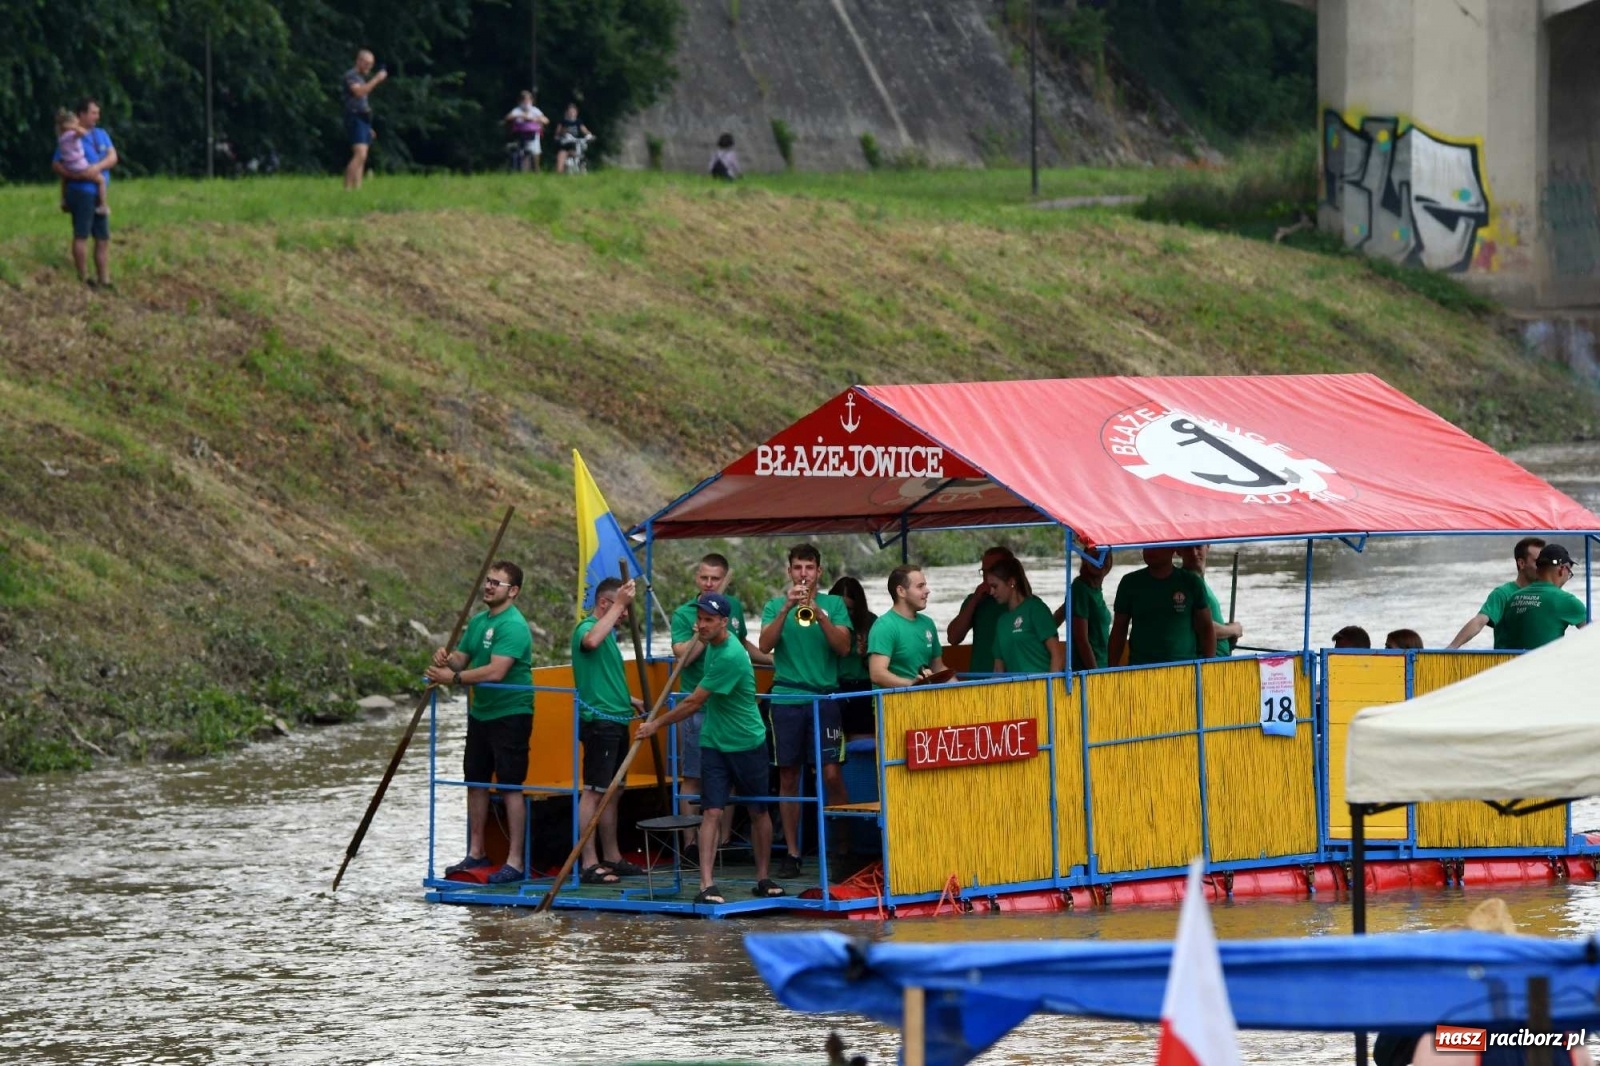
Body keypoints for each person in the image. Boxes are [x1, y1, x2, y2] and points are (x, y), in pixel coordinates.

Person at [637, 592, 783, 903]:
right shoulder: (712, 646)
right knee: (712, 811)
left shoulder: (730, 654)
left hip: (747, 741)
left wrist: (656, 724)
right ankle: (706, 883)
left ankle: (763, 876)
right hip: (715, 741)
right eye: (699, 619)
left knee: (758, 810)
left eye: (708, 620)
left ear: (724, 623)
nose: (700, 625)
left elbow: (693, 701)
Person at [424, 561, 535, 885]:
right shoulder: (479, 621)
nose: (488, 587)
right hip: (481, 712)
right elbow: (465, 656)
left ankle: (514, 860)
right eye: (487, 581)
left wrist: (453, 677)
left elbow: (496, 671)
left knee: (511, 784)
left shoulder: (514, 625)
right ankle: (476, 851)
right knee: (475, 779)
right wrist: (447, 659)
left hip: (511, 712)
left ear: (512, 591)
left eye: (496, 583)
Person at [759, 545, 852, 880]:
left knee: (830, 774)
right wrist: (787, 607)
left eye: (809, 568)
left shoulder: (835, 604)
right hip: (786, 699)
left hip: (824, 697)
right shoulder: (773, 605)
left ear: (819, 572)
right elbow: (766, 645)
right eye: (797, 567)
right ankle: (793, 853)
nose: (803, 574)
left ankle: (843, 849)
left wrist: (818, 612)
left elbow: (843, 647)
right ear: (789, 572)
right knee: (788, 777)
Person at [670, 553, 769, 837]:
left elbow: (740, 645)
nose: (709, 583)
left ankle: (723, 841)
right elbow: (683, 659)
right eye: (704, 577)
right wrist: (700, 632)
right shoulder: (683, 613)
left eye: (715, 578)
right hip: (696, 706)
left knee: (732, 779)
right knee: (692, 776)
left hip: (729, 709)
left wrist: (774, 661)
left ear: (724, 579)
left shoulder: (732, 607)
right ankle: (690, 842)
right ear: (696, 578)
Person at [570, 577, 648, 885]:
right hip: (599, 724)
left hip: (617, 718)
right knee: (594, 790)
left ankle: (612, 856)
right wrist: (619, 605)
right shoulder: (586, 630)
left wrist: (630, 699)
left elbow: (603, 676)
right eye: (623, 609)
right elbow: (589, 642)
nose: (626, 615)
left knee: (614, 792)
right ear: (606, 604)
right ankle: (589, 861)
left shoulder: (610, 637)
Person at [1106, 547, 1215, 667]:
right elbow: (1119, 629)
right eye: (1146, 545)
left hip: (1185, 668)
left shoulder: (1192, 582)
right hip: (1141, 668)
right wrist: (1111, 668)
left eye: (1157, 546)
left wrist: (1209, 667)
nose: (1150, 550)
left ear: (1173, 548)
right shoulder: (1130, 582)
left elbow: (1206, 628)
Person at [50, 97, 117, 288]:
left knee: (102, 237)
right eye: (93, 112)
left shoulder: (101, 134)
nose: (97, 116)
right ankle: (84, 278)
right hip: (81, 192)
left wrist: (96, 168)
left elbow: (112, 156)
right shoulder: (69, 137)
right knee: (82, 234)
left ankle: (104, 279)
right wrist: (77, 175)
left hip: (97, 189)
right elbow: (57, 164)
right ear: (81, 115)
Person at [1447, 537, 1546, 649]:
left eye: (1544, 562)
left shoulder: (1551, 594)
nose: (1543, 566)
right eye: (1537, 562)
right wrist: (1452, 647)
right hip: (1509, 663)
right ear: (1521, 563)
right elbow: (1479, 621)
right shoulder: (1502, 594)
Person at [1489, 543, 1587, 651]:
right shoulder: (1567, 601)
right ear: (1562, 569)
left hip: (1510, 665)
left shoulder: (1513, 598)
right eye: (1569, 573)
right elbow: (1594, 637)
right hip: (1544, 665)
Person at [868, 565, 948, 687]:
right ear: (901, 591)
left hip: (925, 702)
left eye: (925, 585)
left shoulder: (928, 623)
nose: (927, 590)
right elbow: (877, 674)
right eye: (920, 586)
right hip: (893, 704)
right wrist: (911, 685)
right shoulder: (884, 626)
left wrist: (965, 694)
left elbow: (938, 667)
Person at [988, 557, 1064, 675]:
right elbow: (998, 670)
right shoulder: (1001, 622)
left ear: (1011, 582)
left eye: (995, 586)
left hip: (1043, 688)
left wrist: (1051, 689)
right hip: (1018, 691)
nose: (991, 592)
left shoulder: (1036, 609)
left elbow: (1057, 656)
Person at [946, 546, 1014, 676]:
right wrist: (975, 600)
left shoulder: (1024, 602)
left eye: (993, 570)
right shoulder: (976, 601)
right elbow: (953, 638)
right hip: (980, 678)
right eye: (984, 571)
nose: (987, 576)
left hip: (1014, 679)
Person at [829, 577, 877, 740]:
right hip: (833, 687)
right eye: (841, 609)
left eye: (850, 609)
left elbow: (880, 665)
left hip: (862, 688)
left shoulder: (871, 622)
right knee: (830, 744)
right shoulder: (824, 622)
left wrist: (865, 655)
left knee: (863, 743)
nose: (846, 615)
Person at [1177, 544, 1243, 657]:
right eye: (1188, 548)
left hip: (1217, 662)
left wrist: (1226, 634)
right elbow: (1200, 626)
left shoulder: (1200, 582)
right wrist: (1233, 630)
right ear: (1178, 551)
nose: (1194, 553)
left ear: (1208, 546)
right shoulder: (1183, 583)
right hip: (1203, 663)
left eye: (1198, 547)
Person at [1055, 551, 1113, 670]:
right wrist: (1095, 674)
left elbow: (1060, 615)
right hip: (1086, 672)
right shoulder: (1080, 588)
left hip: (1101, 665)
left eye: (1105, 556)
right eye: (1095, 556)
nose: (1100, 561)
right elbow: (1081, 640)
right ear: (1084, 558)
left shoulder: (1095, 590)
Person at [342, 49, 388, 190]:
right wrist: (377, 79)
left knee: (363, 156)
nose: (369, 67)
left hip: (364, 118)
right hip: (355, 116)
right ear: (359, 61)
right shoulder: (352, 76)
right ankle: (347, 188)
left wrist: (368, 127)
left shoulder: (361, 78)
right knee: (360, 154)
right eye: (367, 63)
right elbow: (360, 92)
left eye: (371, 64)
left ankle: (357, 188)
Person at [55, 110, 109, 217]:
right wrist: (73, 127)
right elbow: (84, 133)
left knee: (65, 179)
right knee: (101, 180)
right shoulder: (70, 135)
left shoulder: (61, 137)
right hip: (78, 164)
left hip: (69, 165)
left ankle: (64, 199)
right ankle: (103, 204)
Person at [504, 90, 547, 172]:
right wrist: (521, 115)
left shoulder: (535, 110)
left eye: (528, 100)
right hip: (520, 134)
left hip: (533, 134)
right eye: (524, 100)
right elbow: (508, 118)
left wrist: (534, 119)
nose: (526, 102)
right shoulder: (517, 110)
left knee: (535, 150)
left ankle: (536, 168)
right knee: (519, 151)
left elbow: (545, 120)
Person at [554, 103, 592, 174]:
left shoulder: (578, 122)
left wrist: (589, 135)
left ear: (576, 113)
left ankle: (581, 169)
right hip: (565, 146)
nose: (572, 113)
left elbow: (585, 131)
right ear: (567, 112)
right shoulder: (563, 122)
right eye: (570, 111)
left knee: (580, 156)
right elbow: (557, 133)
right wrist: (562, 133)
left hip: (575, 146)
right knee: (560, 166)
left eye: (573, 111)